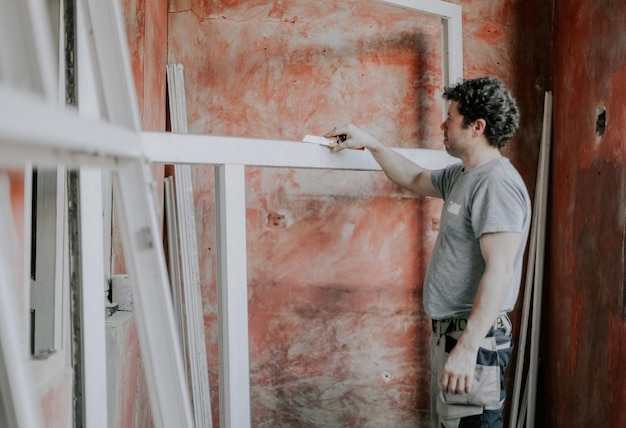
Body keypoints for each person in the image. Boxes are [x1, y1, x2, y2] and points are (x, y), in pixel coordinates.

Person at [325, 77, 531, 428]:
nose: (442, 125)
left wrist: (466, 350)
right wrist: (371, 144)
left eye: (450, 118)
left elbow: (500, 272)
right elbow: (415, 177)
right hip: (454, 334)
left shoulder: (496, 184)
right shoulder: (463, 176)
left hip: (474, 340)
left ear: (476, 126)